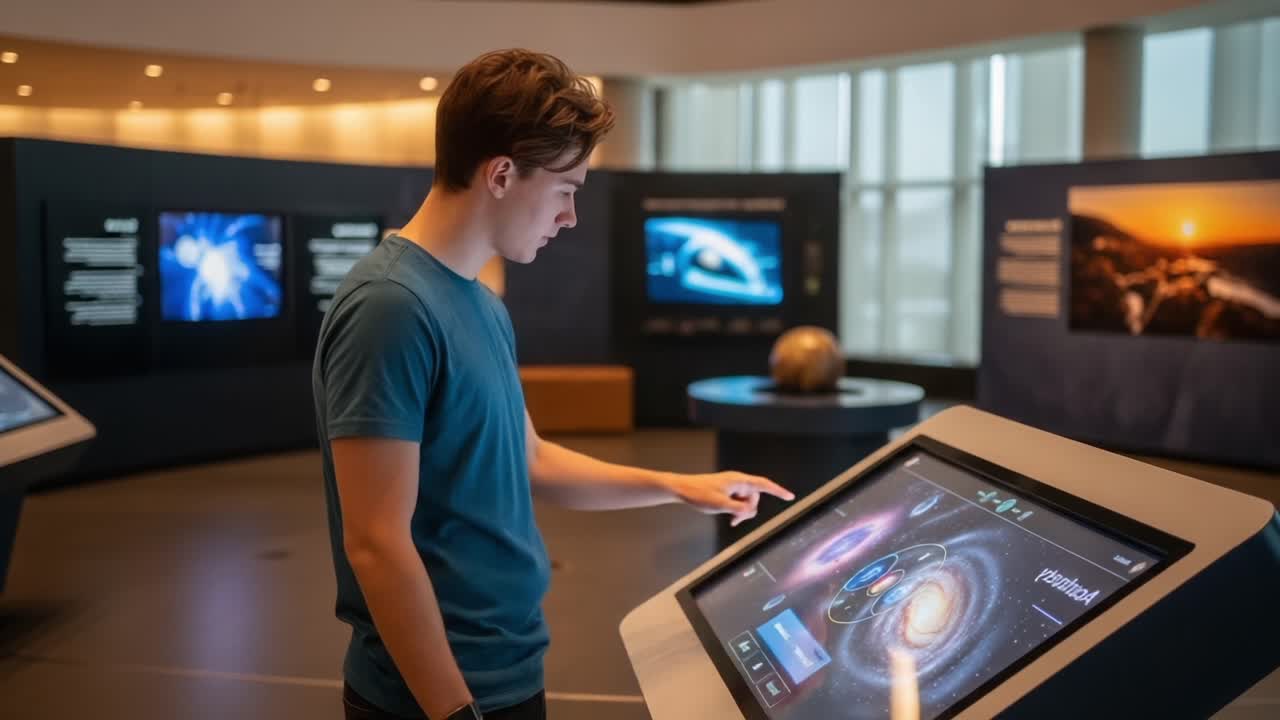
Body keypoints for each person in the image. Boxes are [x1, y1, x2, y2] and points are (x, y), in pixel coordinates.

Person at [313, 48, 794, 720]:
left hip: (506, 676)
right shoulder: (391, 306)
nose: (569, 218)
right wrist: (452, 712)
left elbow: (529, 459)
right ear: (502, 174)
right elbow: (377, 542)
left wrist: (677, 487)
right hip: (434, 697)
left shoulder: (480, 303)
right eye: (566, 190)